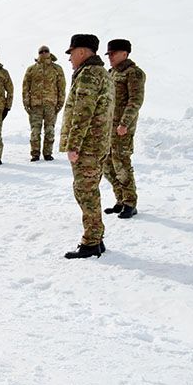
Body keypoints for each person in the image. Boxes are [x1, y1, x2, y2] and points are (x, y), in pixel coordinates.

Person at [59, 34, 115, 259]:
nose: (70, 58)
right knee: (88, 190)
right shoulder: (102, 73)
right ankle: (96, 237)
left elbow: (83, 112)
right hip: (97, 144)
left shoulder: (89, 75)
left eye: (71, 53)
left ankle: (91, 241)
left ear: (82, 51)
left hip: (87, 146)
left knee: (85, 191)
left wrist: (73, 145)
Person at [103, 38, 146, 219]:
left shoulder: (133, 73)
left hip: (122, 129)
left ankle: (130, 202)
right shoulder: (110, 73)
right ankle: (120, 200)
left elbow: (135, 100)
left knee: (121, 164)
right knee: (107, 165)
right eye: (109, 54)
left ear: (124, 54)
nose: (110, 57)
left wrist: (124, 123)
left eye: (113, 54)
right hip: (107, 128)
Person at [22, 45, 66, 161]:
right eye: (41, 51)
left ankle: (48, 153)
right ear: (38, 53)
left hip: (51, 105)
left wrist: (60, 103)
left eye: (46, 51)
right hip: (35, 105)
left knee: (49, 130)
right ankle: (35, 154)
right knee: (35, 131)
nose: (44, 53)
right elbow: (25, 88)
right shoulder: (31, 69)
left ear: (50, 53)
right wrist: (26, 103)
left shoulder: (57, 69)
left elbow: (61, 88)